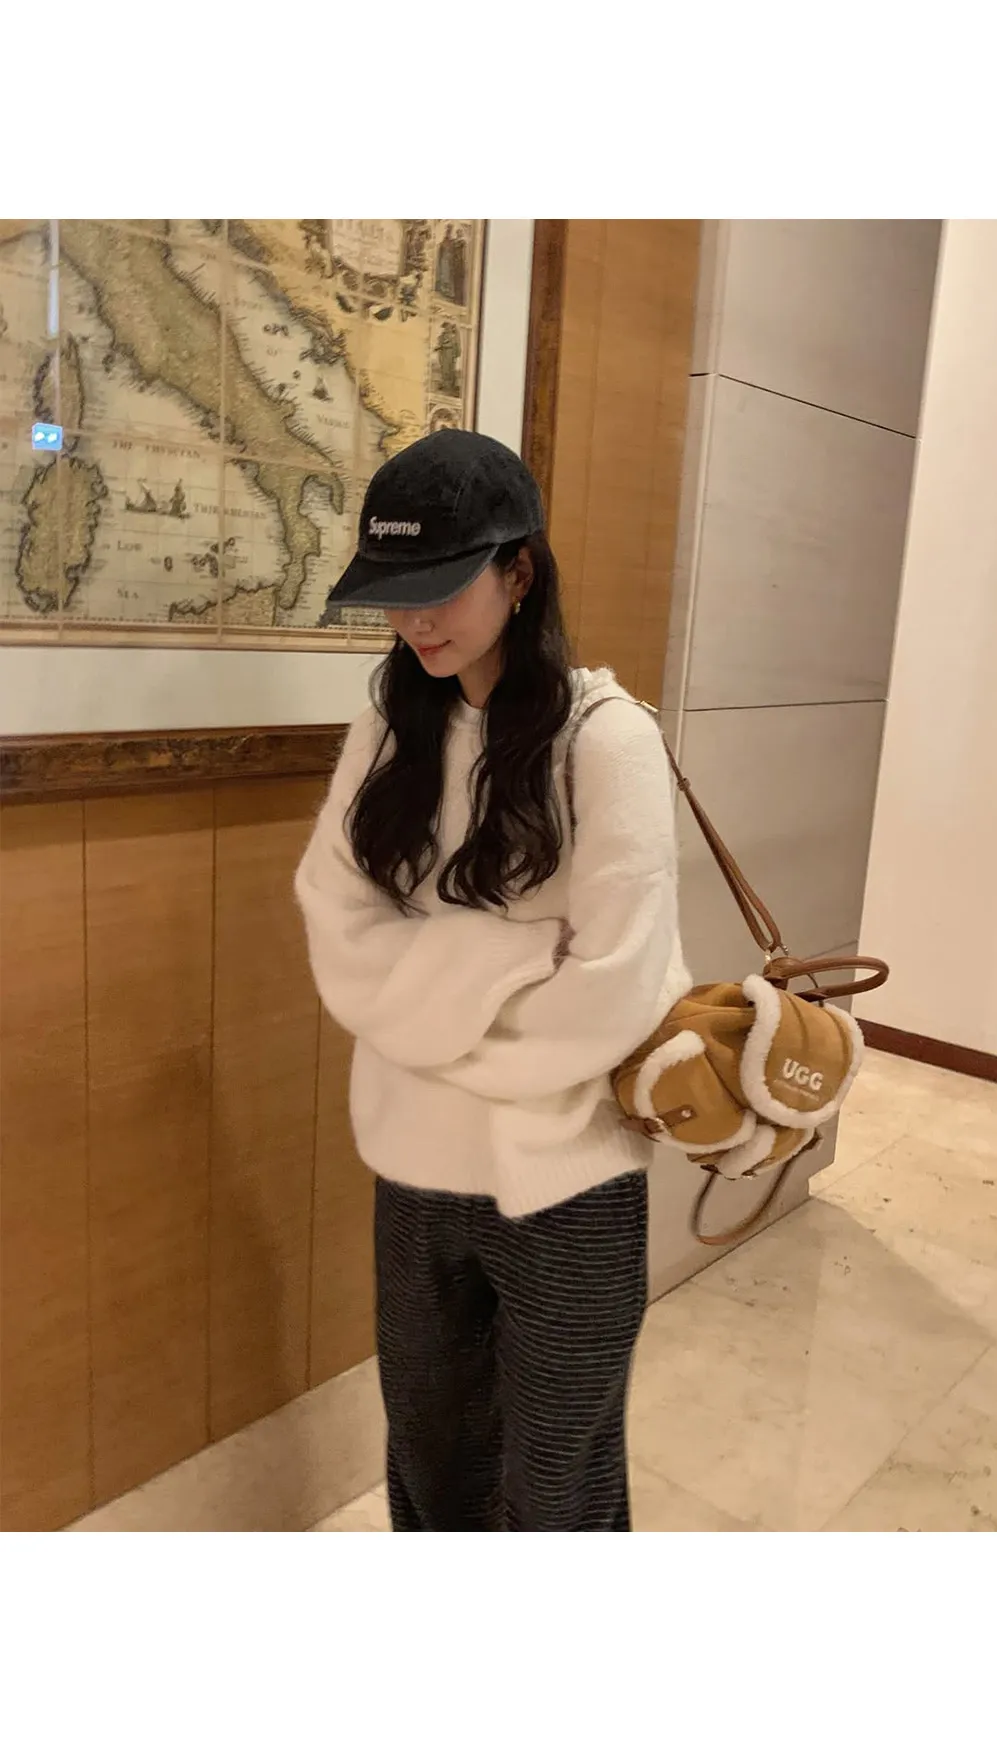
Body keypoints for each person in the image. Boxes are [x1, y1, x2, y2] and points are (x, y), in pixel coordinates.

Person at [295, 427, 690, 1532]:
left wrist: (423, 1003)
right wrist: (516, 960)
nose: (414, 621)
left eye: (439, 588)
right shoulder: (387, 729)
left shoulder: (606, 739)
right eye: (393, 595)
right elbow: (336, 925)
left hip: (569, 1174)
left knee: (557, 1481)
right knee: (431, 1462)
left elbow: (614, 984)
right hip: (414, 1169)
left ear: (519, 572)